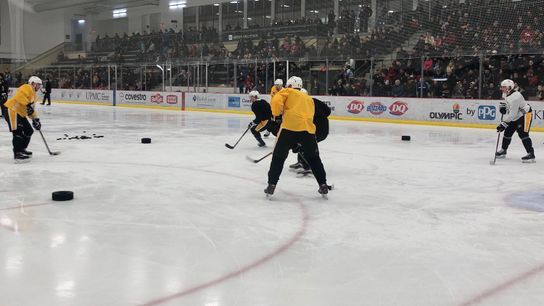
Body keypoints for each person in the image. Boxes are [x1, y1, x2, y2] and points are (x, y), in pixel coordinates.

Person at [264, 76, 330, 197]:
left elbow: (276, 101)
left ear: (289, 85)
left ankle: (271, 185)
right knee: (314, 159)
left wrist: (276, 114)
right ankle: (323, 185)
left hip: (289, 128)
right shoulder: (309, 98)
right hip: (308, 131)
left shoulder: (287, 91)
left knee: (278, 157)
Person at [290, 89, 331, 175]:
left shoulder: (304, 104)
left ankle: (310, 166)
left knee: (306, 145)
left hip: (318, 129)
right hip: (321, 128)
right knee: (302, 143)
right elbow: (328, 111)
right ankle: (302, 162)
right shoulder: (313, 100)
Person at [2, 76, 43, 162]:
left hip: (20, 113)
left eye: (40, 85)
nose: (39, 87)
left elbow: (30, 110)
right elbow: (19, 96)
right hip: (12, 109)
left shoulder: (34, 96)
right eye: (38, 84)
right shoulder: (27, 87)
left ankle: (22, 149)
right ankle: (17, 153)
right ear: (32, 83)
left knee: (29, 131)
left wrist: (36, 119)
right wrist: (28, 105)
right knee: (17, 131)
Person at [495, 79, 535, 163]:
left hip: (525, 115)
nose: (501, 89)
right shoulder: (506, 93)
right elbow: (509, 107)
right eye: (501, 87)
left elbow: (512, 114)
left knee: (523, 134)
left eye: (503, 87)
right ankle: (503, 150)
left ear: (509, 87)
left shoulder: (516, 97)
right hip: (516, 115)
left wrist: (503, 124)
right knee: (507, 132)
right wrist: (504, 108)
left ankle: (531, 154)